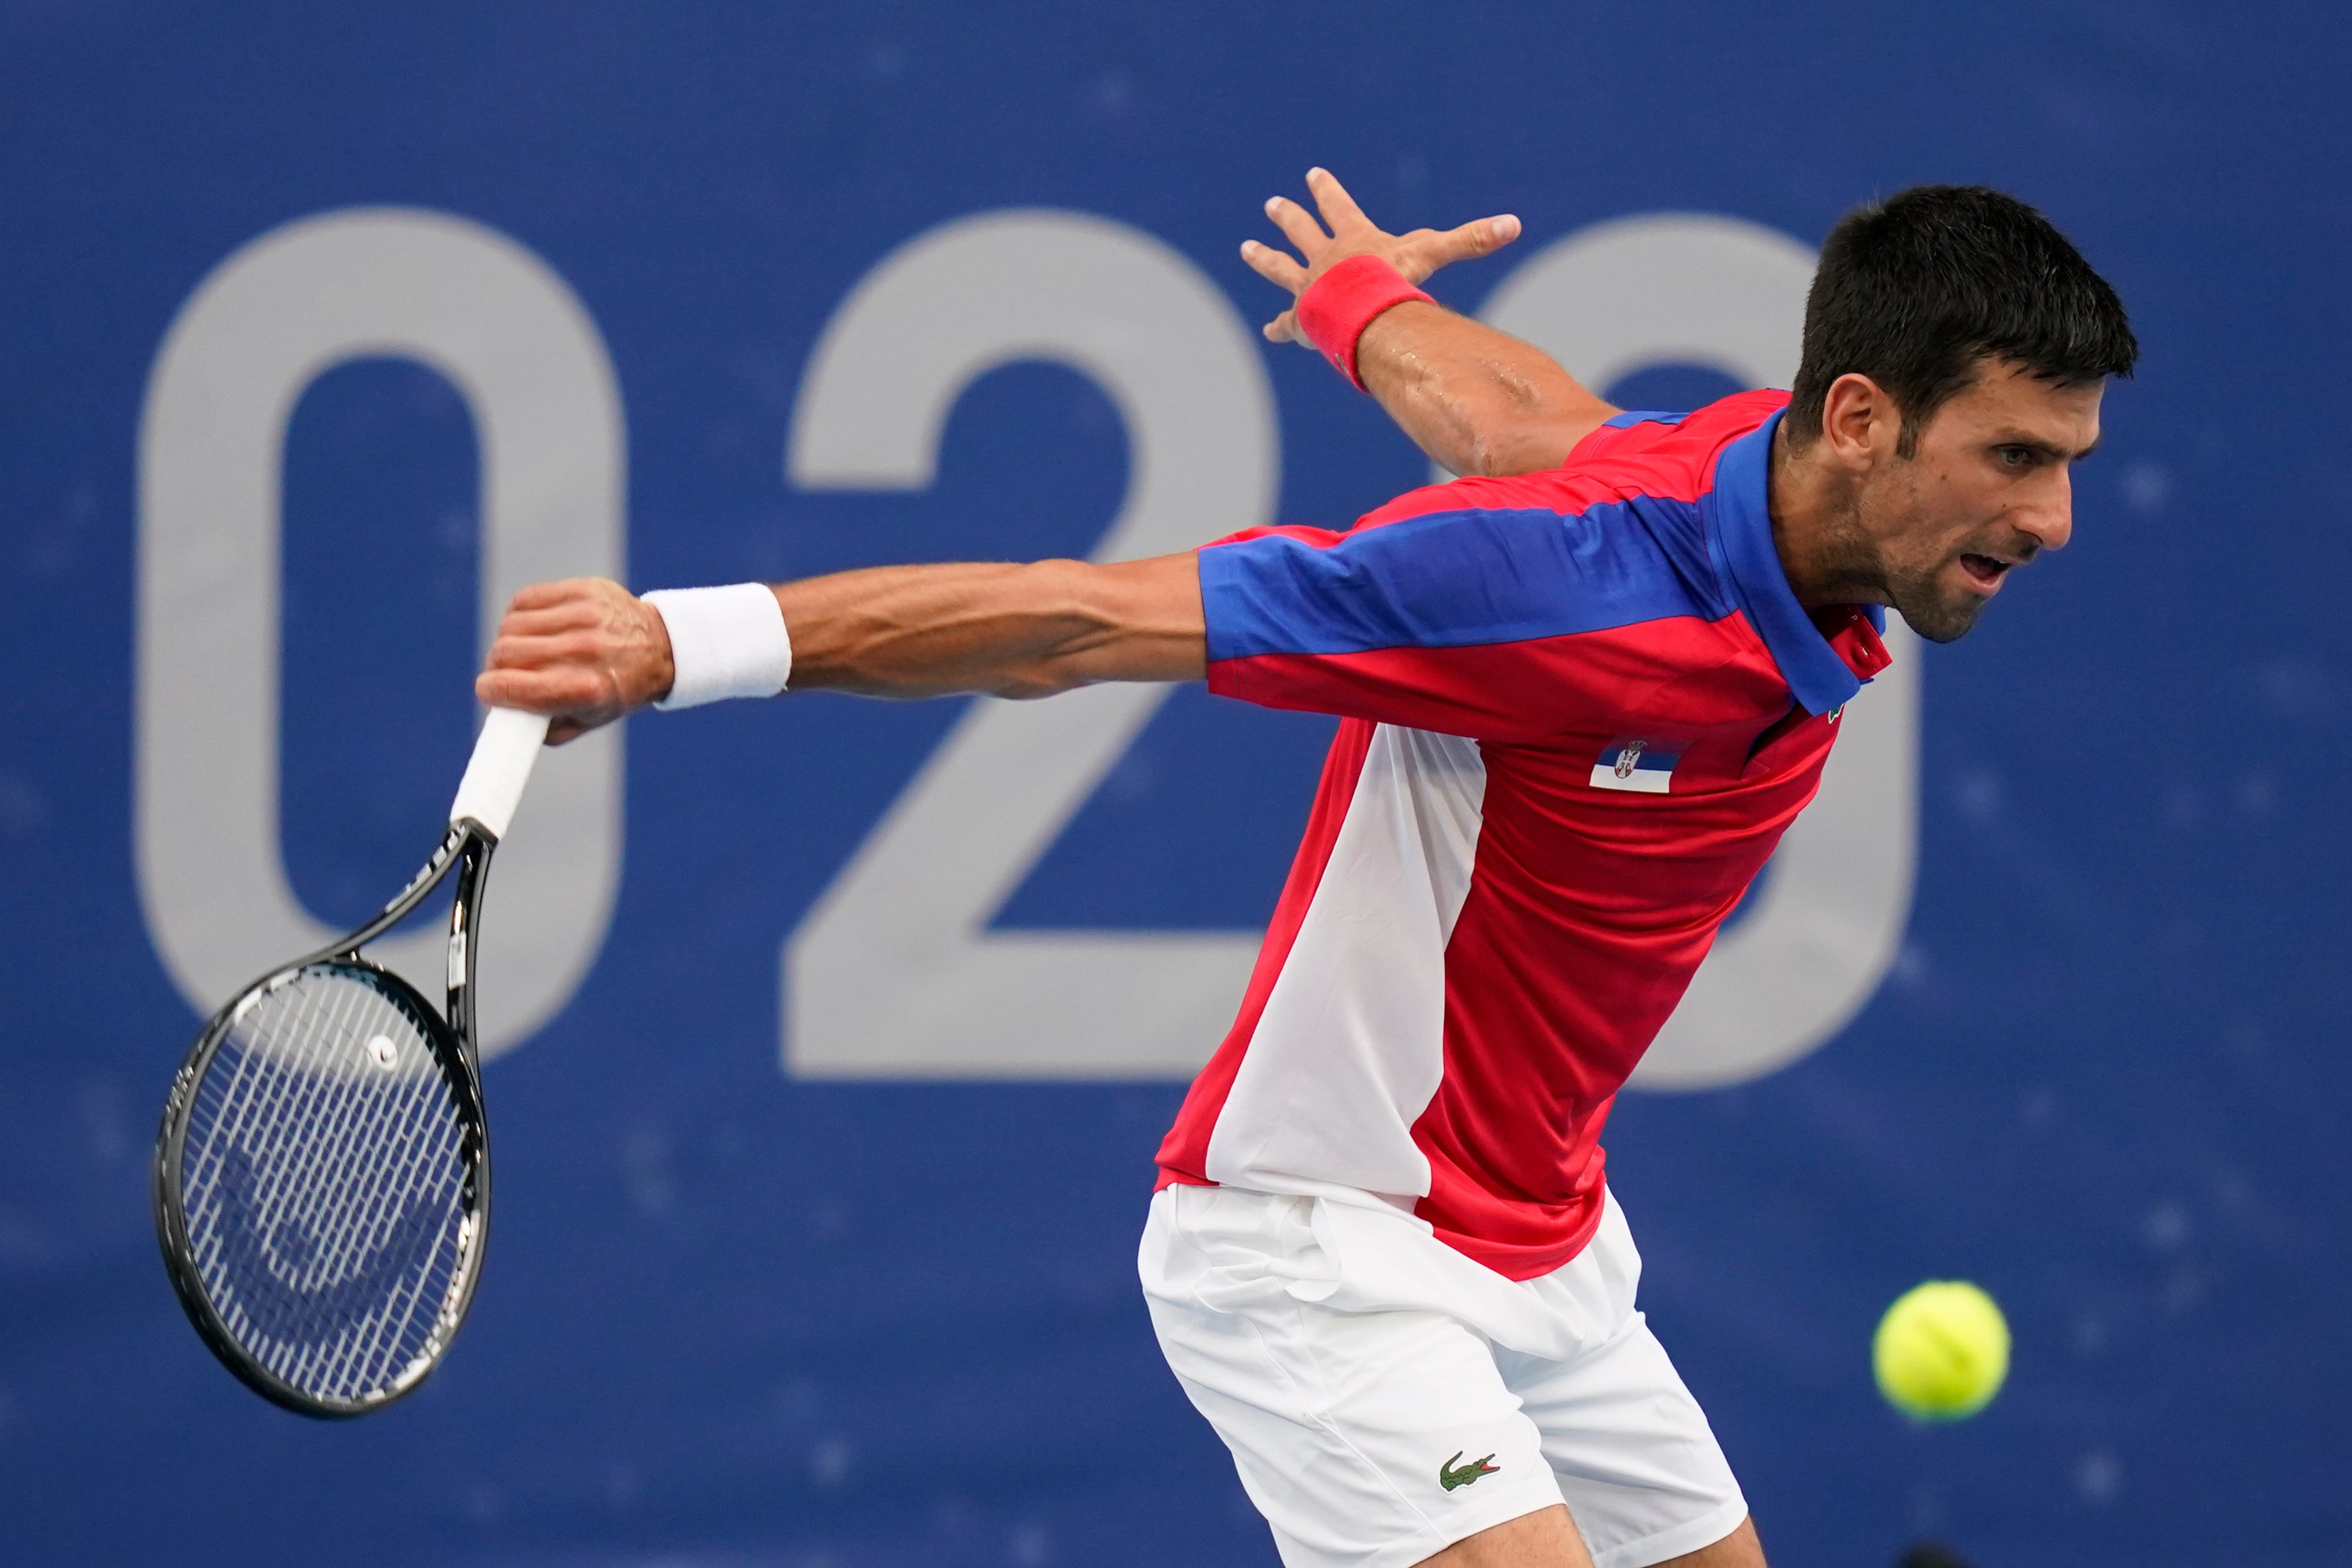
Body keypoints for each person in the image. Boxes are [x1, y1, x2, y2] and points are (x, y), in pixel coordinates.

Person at [476, 171, 2135, 1568]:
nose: (2054, 516)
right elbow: (1074, 618)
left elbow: (1518, 415)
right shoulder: (1549, 597)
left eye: (2064, 458)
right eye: (2011, 456)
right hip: (1319, 1256)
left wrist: (1360, 309)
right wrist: (670, 640)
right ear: (1856, 418)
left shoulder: (1730, 493)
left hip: (1546, 1250)